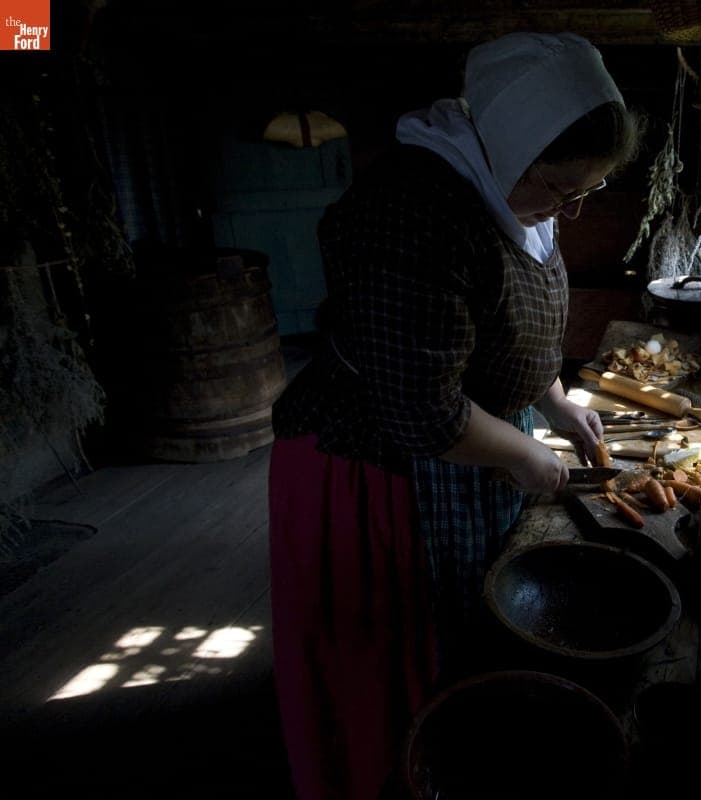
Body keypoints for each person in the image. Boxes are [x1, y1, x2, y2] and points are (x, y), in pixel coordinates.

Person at [266, 31, 643, 800]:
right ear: (512, 147)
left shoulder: (519, 193)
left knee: (469, 632)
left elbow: (502, 325)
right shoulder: (413, 215)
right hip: (378, 468)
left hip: (469, 445)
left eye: (589, 190)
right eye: (562, 188)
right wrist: (527, 456)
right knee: (399, 654)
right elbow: (424, 410)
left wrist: (556, 403)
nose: (571, 209)